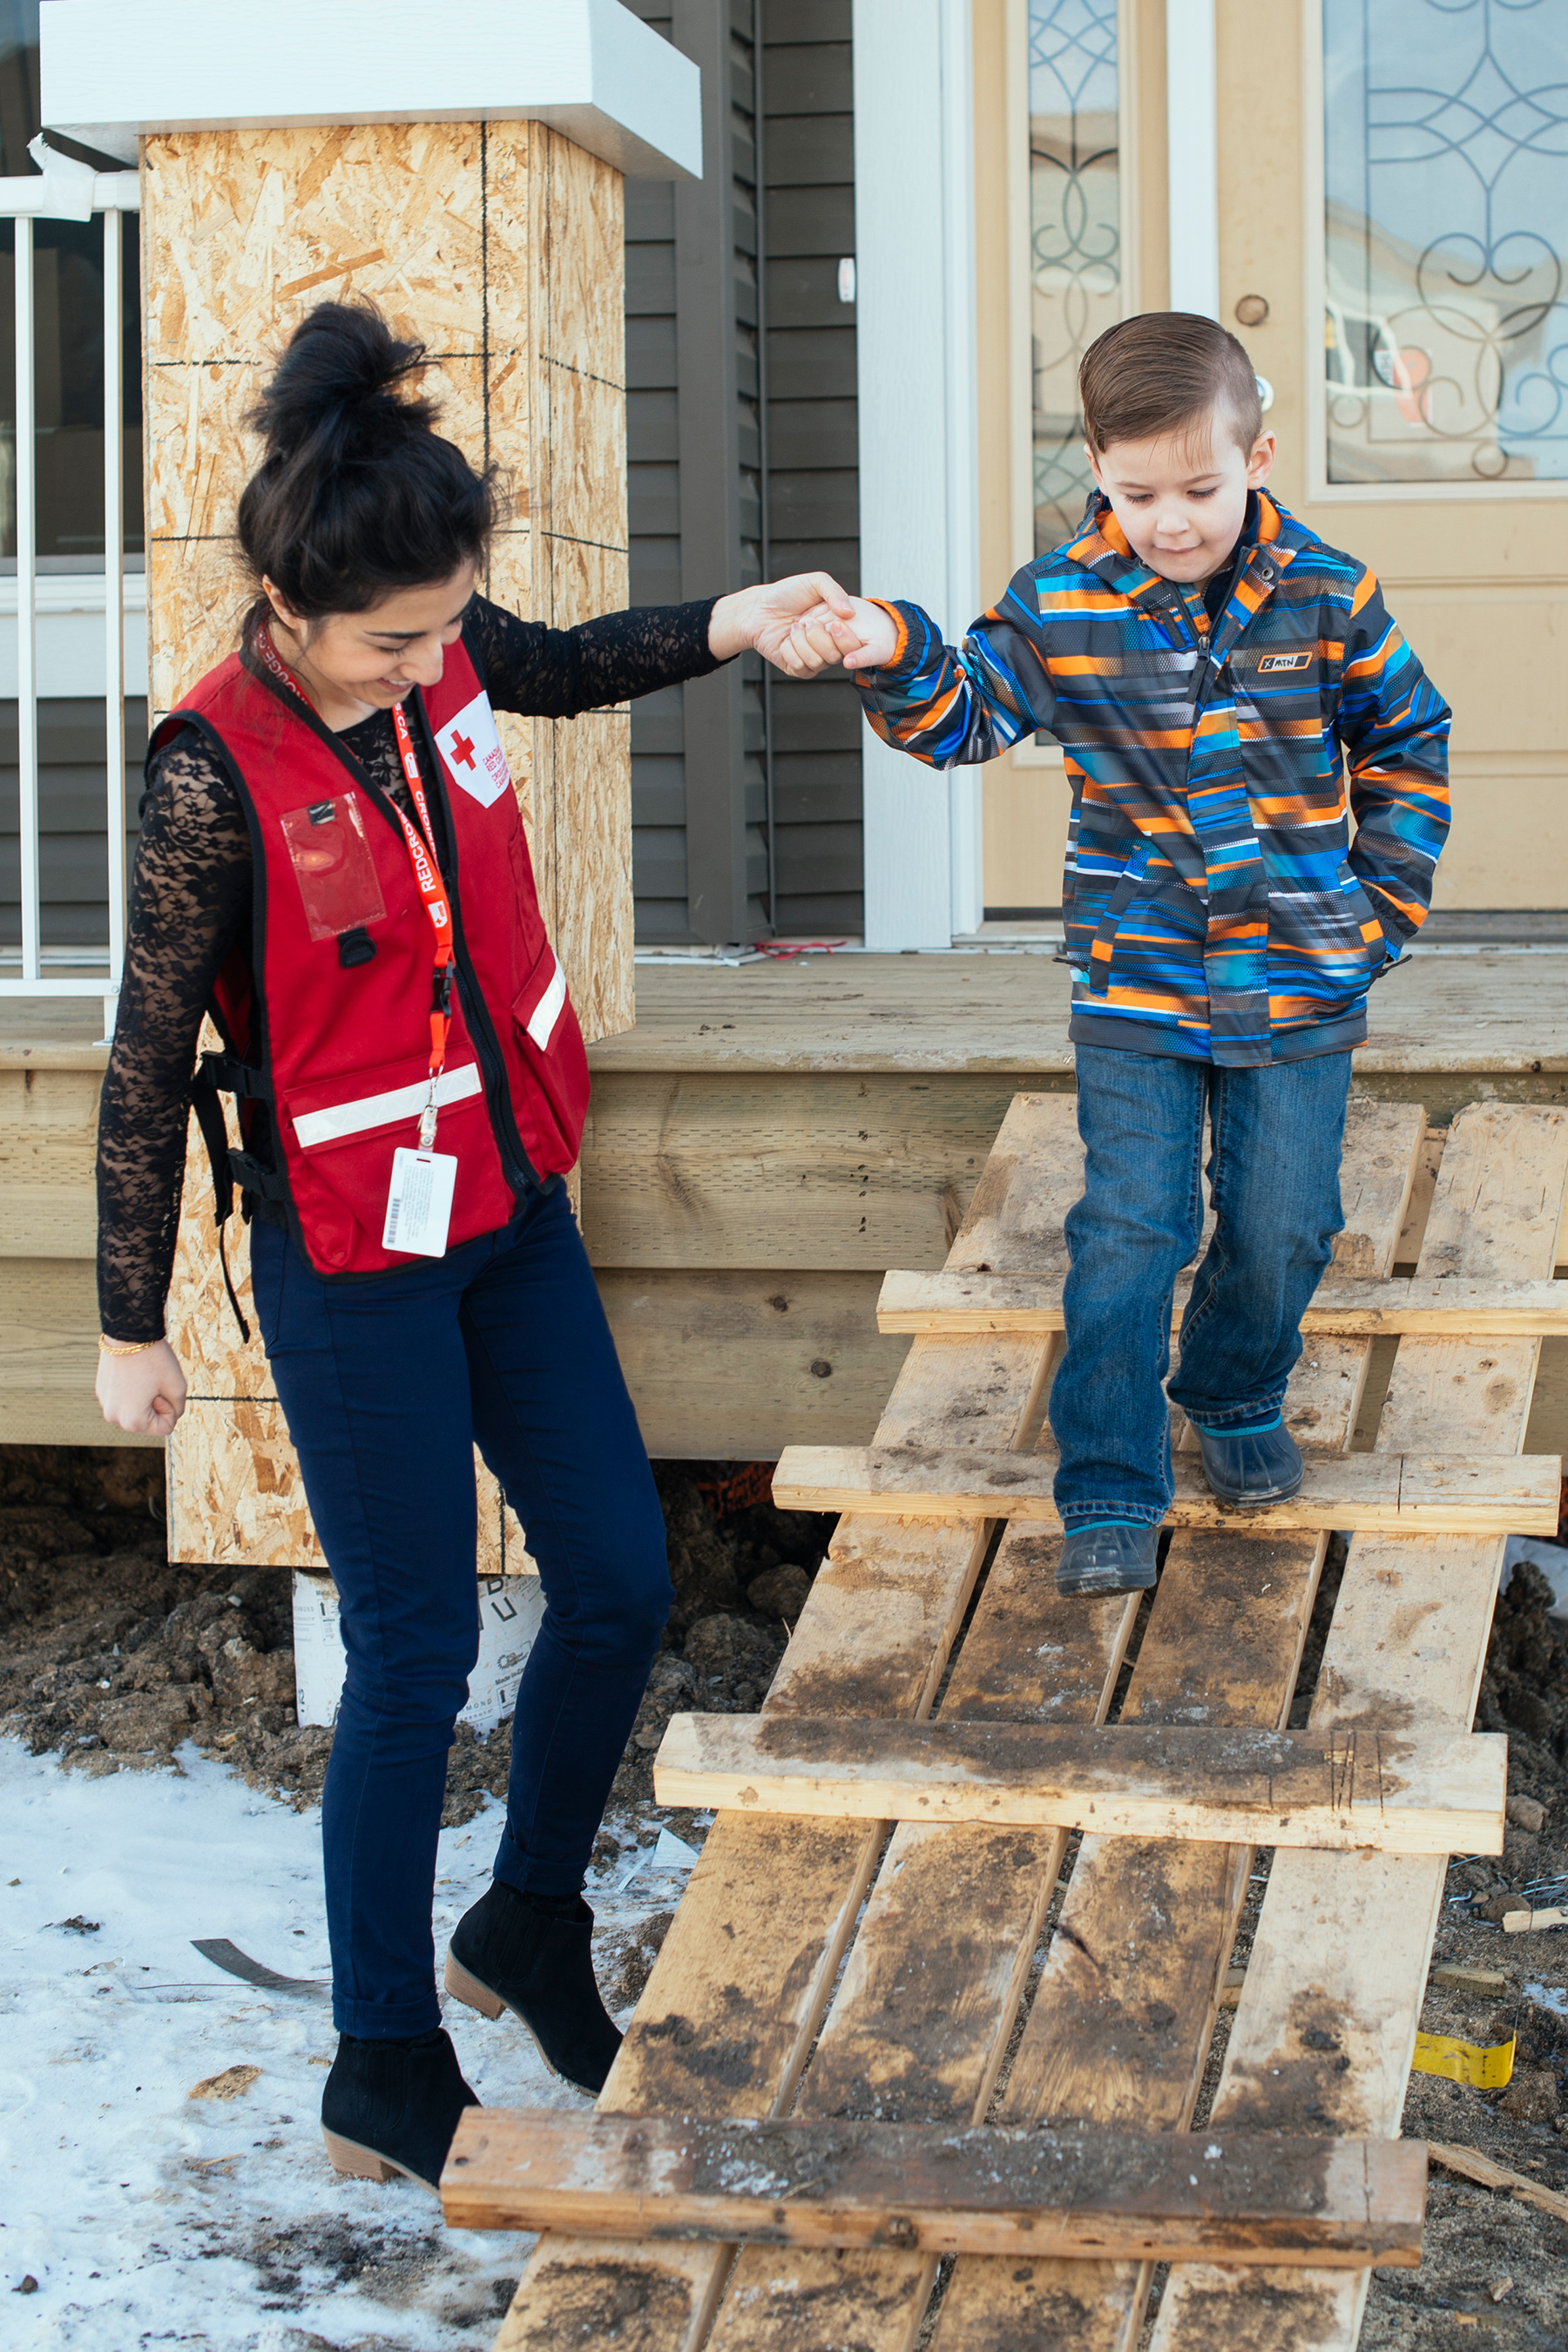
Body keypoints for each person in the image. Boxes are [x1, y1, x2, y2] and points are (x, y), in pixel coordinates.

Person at [94, 300, 859, 2191]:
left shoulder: (440, 657)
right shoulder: (207, 772)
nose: (438, 665)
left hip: (508, 1209)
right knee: (420, 1647)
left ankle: (524, 1921)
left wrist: (735, 620)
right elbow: (141, 1050)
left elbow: (569, 663)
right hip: (352, 1263)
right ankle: (382, 2058)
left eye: (449, 630)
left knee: (612, 1576)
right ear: (288, 602)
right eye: (397, 643)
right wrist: (131, 1324)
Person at [786, 311, 1450, 1597]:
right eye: (1138, 492)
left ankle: (1235, 1390)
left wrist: (1380, 913)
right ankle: (1107, 1480)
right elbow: (969, 713)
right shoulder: (1064, 601)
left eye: (1200, 488)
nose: (1174, 521)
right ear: (1095, 463)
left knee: (1284, 1224)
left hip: (1302, 980)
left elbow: (1407, 743)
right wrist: (892, 648)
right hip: (1139, 983)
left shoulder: (1330, 594)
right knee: (1131, 1232)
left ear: (1258, 459)